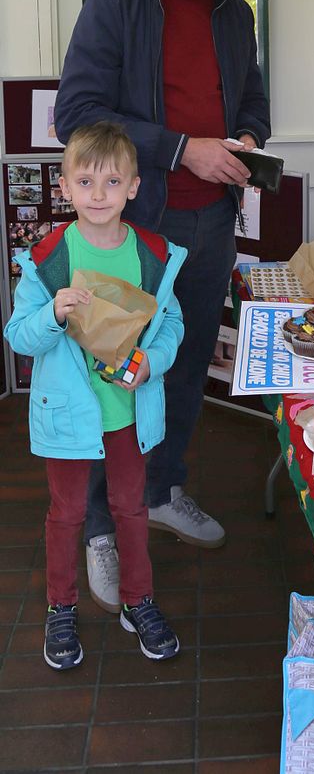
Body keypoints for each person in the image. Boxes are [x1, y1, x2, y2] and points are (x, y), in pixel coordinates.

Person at [54, 0, 271, 610]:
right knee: (110, 381)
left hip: (210, 224)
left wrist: (244, 139)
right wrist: (181, 149)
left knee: (178, 370)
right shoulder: (116, 2)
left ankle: (160, 491)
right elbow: (76, 114)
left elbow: (252, 103)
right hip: (134, 230)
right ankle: (99, 530)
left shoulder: (234, 12)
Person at [3, 122, 186, 669]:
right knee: (67, 513)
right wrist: (53, 314)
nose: (99, 195)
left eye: (112, 182)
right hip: (68, 417)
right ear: (64, 187)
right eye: (86, 182)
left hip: (129, 411)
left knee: (131, 507)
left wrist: (152, 362)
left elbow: (172, 324)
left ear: (134, 187)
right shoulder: (48, 259)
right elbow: (18, 335)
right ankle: (61, 606)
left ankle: (138, 599)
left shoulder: (153, 255)